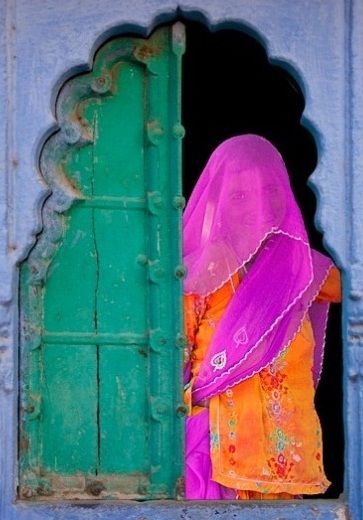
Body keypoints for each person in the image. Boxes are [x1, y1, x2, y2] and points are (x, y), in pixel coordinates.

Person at [183, 135, 341, 500]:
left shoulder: (301, 271)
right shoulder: (202, 274)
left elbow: (353, 286)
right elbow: (172, 370)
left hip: (284, 469)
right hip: (217, 465)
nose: (258, 205)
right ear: (217, 202)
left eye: (270, 189)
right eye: (239, 196)